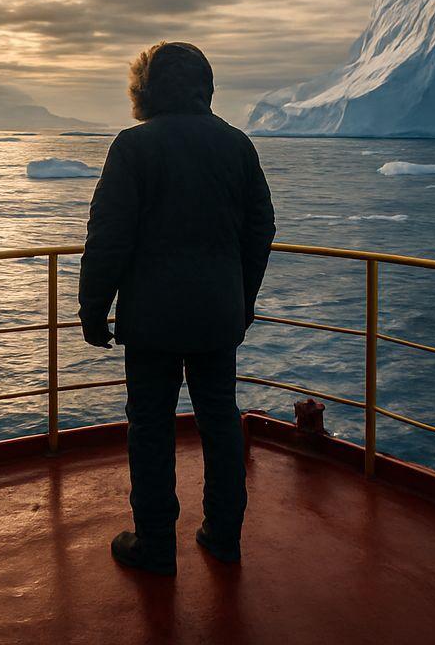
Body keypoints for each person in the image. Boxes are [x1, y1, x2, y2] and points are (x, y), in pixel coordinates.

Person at [78, 41, 275, 575]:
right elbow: (261, 230)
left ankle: (156, 543)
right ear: (205, 88)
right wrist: (243, 297)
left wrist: (94, 309)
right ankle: (224, 535)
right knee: (219, 420)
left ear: (146, 89)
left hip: (151, 321)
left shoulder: (133, 147)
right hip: (217, 316)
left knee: (149, 427)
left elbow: (109, 239)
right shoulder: (237, 146)